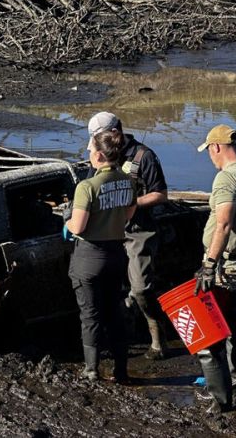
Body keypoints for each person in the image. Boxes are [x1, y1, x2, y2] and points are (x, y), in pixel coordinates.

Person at [87, 112, 169, 360]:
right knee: (107, 287)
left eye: (100, 137)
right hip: (109, 232)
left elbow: (160, 194)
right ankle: (119, 335)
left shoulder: (144, 157)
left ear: (115, 133)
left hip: (138, 232)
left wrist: (130, 203)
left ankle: (158, 339)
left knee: (142, 288)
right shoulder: (99, 154)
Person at [194, 124, 236, 415]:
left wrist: (209, 264)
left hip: (226, 265)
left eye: (209, 150)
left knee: (210, 335)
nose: (209, 156)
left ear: (217, 147)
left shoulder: (226, 179)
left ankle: (220, 399)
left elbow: (222, 223)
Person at [66, 129, 136, 382]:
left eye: (90, 150)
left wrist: (67, 217)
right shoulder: (127, 180)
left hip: (89, 257)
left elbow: (78, 227)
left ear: (98, 154)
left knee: (90, 315)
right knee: (114, 312)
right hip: (117, 254)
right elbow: (129, 213)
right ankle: (121, 370)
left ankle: (91, 370)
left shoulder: (87, 186)